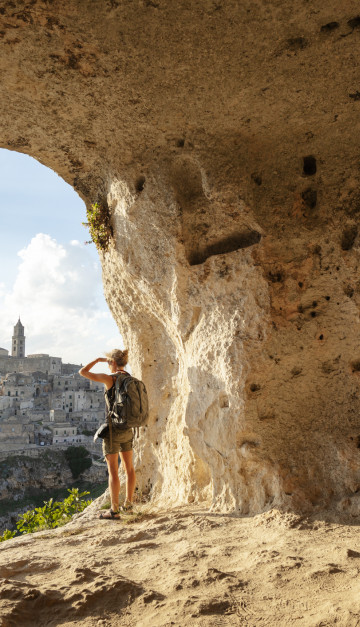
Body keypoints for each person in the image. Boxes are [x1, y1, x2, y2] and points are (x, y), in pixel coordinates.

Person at [79, 349, 135, 520]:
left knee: (113, 472)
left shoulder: (110, 379)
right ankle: (129, 505)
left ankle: (114, 510)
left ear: (112, 362)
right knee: (130, 468)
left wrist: (97, 359)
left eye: (109, 362)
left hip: (112, 431)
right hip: (128, 429)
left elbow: (82, 372)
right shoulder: (131, 379)